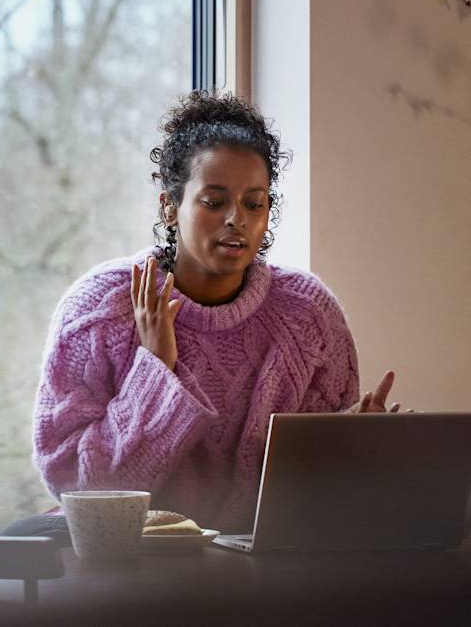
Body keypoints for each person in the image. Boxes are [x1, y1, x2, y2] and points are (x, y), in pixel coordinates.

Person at [29, 90, 400, 534]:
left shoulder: (309, 315)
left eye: (253, 203)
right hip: (138, 569)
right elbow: (75, 485)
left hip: (264, 574)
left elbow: (326, 507)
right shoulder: (99, 311)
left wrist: (355, 443)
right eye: (214, 201)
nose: (236, 220)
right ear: (170, 206)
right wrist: (154, 370)